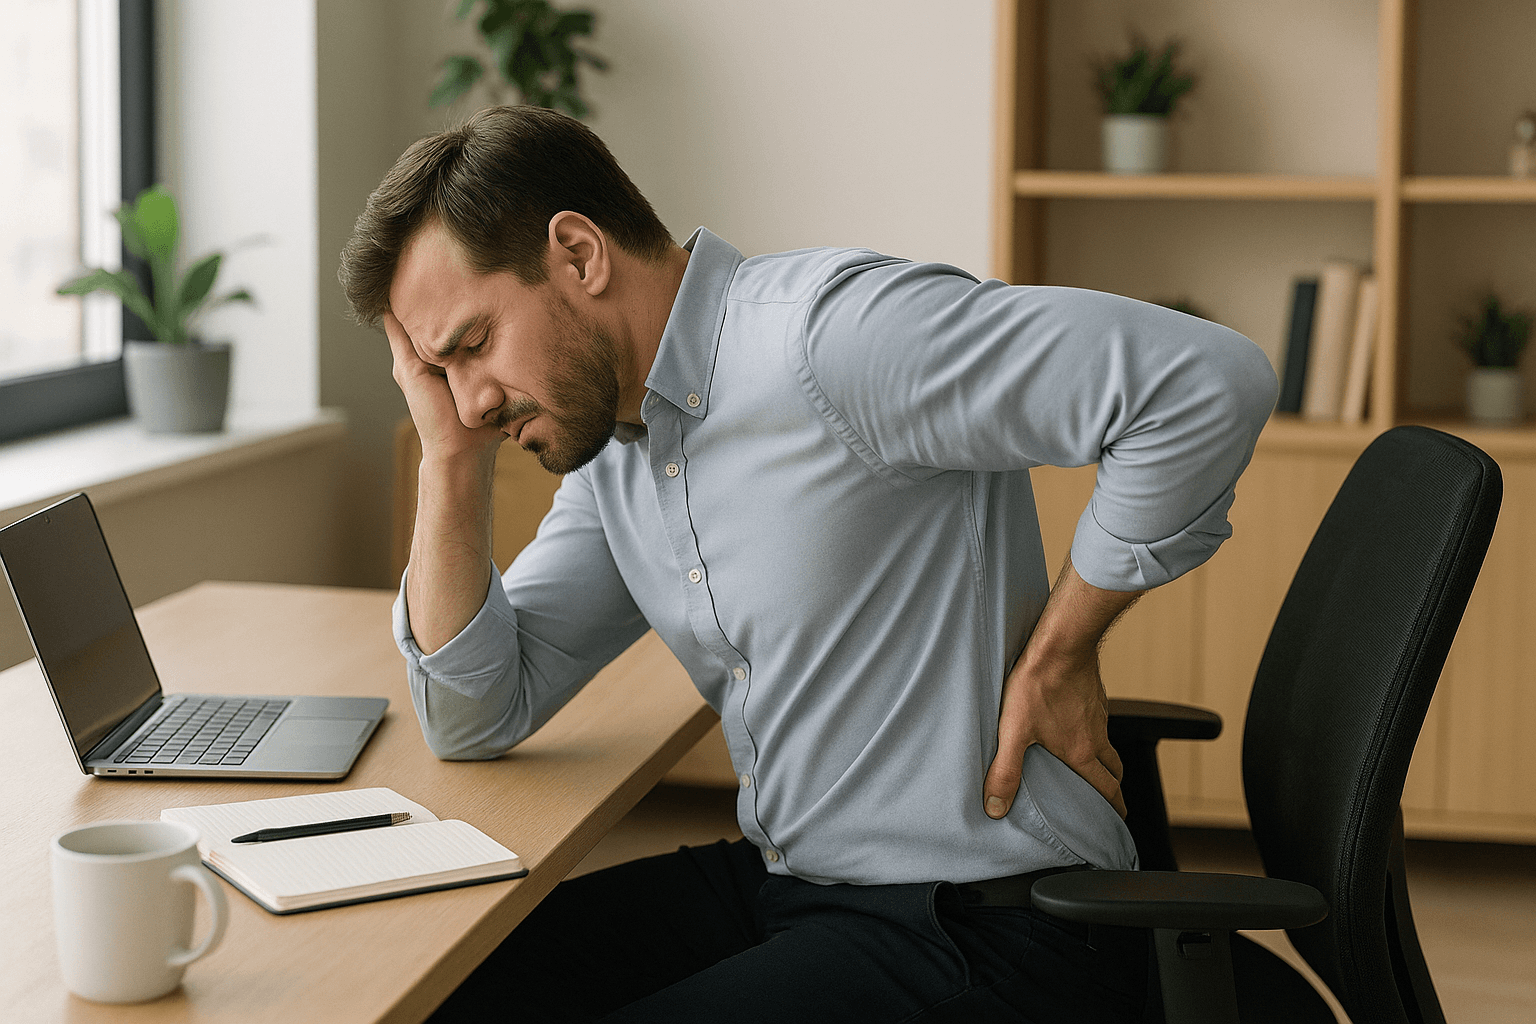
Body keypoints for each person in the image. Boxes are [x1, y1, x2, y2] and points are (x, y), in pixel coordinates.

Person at [339, 105, 1277, 1023]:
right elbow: (476, 714)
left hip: (991, 920)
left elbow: (1204, 383)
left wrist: (1063, 650)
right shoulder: (618, 457)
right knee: (445, 986)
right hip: (801, 885)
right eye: (439, 374)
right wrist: (449, 460)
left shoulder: (834, 338)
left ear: (579, 255)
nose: (469, 402)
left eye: (473, 346)